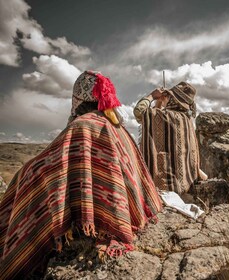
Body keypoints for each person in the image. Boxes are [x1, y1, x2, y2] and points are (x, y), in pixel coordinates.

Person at [0, 71, 163, 279]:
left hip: (100, 220)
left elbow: (55, 166)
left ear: (79, 97)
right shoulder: (115, 124)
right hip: (127, 211)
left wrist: (25, 173)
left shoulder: (83, 125)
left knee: (24, 184)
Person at [133, 82, 206, 194]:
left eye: (168, 96)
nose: (166, 97)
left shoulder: (166, 117)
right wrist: (160, 102)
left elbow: (139, 112)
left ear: (173, 99)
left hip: (165, 188)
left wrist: (152, 96)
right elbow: (155, 118)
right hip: (185, 184)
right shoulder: (186, 119)